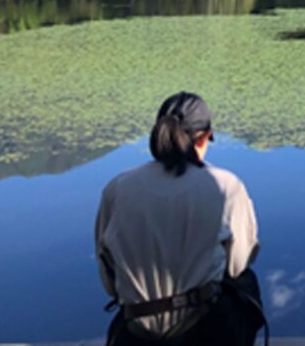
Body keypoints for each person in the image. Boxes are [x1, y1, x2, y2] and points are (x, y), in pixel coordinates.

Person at [95, 91, 266, 345]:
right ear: (204, 137)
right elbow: (237, 263)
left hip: (136, 334)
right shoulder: (225, 186)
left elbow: (109, 280)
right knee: (245, 281)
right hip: (203, 330)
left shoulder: (117, 188)